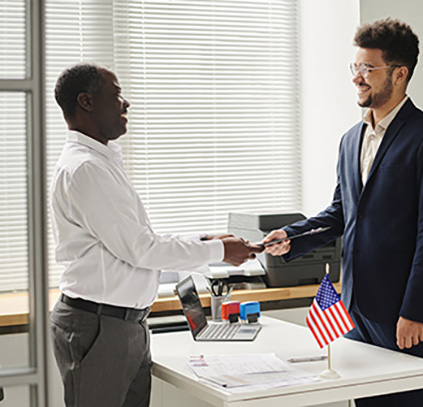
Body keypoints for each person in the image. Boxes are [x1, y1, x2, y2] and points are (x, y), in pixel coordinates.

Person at [264, 18, 423, 407]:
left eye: (368, 68)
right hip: (353, 312)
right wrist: (292, 239)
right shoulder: (350, 139)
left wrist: (415, 312)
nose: (357, 78)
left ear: (400, 74)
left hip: (402, 317)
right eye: (356, 67)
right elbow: (342, 213)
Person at [49, 63, 263, 407]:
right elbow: (141, 249)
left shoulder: (99, 163)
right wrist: (218, 252)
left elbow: (136, 239)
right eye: (116, 95)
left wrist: (209, 240)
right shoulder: (86, 168)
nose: (126, 104)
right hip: (102, 326)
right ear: (87, 102)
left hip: (124, 325)